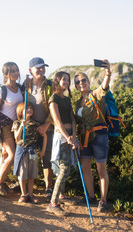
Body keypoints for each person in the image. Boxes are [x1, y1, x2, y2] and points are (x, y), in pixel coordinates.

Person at [74, 59, 111, 212]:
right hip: (85, 138)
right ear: (75, 86)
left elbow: (104, 87)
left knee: (101, 170)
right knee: (85, 168)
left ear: (88, 82)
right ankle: (90, 197)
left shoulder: (95, 94)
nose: (81, 83)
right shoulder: (77, 102)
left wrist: (108, 73)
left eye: (83, 80)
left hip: (99, 136)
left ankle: (103, 200)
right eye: (77, 82)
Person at [22, 57, 54, 202]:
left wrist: (47, 124)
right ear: (30, 70)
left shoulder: (50, 85)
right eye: (38, 68)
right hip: (31, 128)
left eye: (43, 67)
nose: (41, 70)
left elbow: (56, 106)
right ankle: (27, 188)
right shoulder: (25, 85)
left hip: (47, 126)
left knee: (47, 157)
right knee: (30, 157)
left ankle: (48, 188)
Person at [47, 71, 78, 216]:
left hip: (70, 135)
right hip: (61, 136)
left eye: (68, 80)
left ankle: (61, 196)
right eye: (63, 79)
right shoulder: (53, 98)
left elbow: (72, 119)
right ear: (57, 81)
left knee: (65, 167)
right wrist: (68, 136)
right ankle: (53, 203)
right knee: (64, 168)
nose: (66, 82)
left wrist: (74, 136)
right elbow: (57, 121)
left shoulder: (66, 99)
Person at [0, 62, 23, 196]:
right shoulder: (2, 90)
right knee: (12, 155)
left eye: (17, 70)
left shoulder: (20, 88)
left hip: (16, 125)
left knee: (4, 156)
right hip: (4, 126)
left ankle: (2, 183)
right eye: (12, 71)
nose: (16, 73)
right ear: (6, 74)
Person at [12, 102, 47, 203]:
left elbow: (44, 136)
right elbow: (16, 138)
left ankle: (31, 194)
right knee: (22, 174)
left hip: (32, 150)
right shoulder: (17, 123)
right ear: (20, 111)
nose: (30, 110)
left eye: (31, 108)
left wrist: (43, 150)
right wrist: (21, 126)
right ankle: (23, 194)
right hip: (22, 150)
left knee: (32, 174)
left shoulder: (35, 123)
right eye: (26, 108)